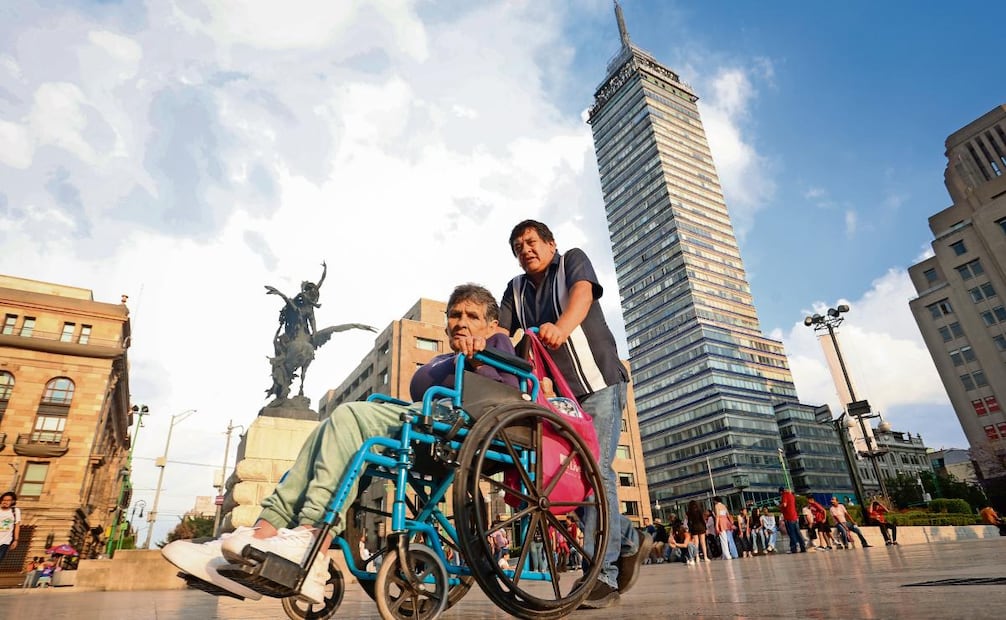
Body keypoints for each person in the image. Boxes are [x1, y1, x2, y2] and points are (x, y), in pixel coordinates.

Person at [164, 284, 520, 604]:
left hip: (460, 426)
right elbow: (420, 386)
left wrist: (481, 358)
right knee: (322, 434)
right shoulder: (445, 359)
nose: (461, 322)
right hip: (425, 422)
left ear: (491, 325)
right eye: (455, 315)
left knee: (350, 416)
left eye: (472, 316)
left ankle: (312, 538)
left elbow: (511, 390)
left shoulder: (497, 345)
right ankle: (262, 533)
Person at [497, 220, 648, 609]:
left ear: (550, 244)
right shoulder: (515, 289)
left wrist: (561, 327)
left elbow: (582, 295)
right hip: (563, 399)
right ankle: (629, 538)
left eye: (531, 242)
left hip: (600, 383)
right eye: (518, 247)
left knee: (596, 470)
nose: (525, 250)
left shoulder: (571, 262)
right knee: (568, 479)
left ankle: (602, 575)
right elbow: (500, 333)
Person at [779, 487, 805, 554]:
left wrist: (779, 505)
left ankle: (794, 548)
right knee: (798, 533)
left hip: (788, 517)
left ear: (781, 492)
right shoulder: (792, 495)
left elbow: (785, 504)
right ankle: (803, 547)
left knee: (792, 533)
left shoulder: (784, 495)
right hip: (794, 517)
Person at [0, 492, 21, 563]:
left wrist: (16, 540)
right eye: (3, 500)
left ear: (12, 501)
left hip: (5, 541)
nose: (5, 502)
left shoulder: (15, 511)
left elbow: (17, 526)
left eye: (8, 500)